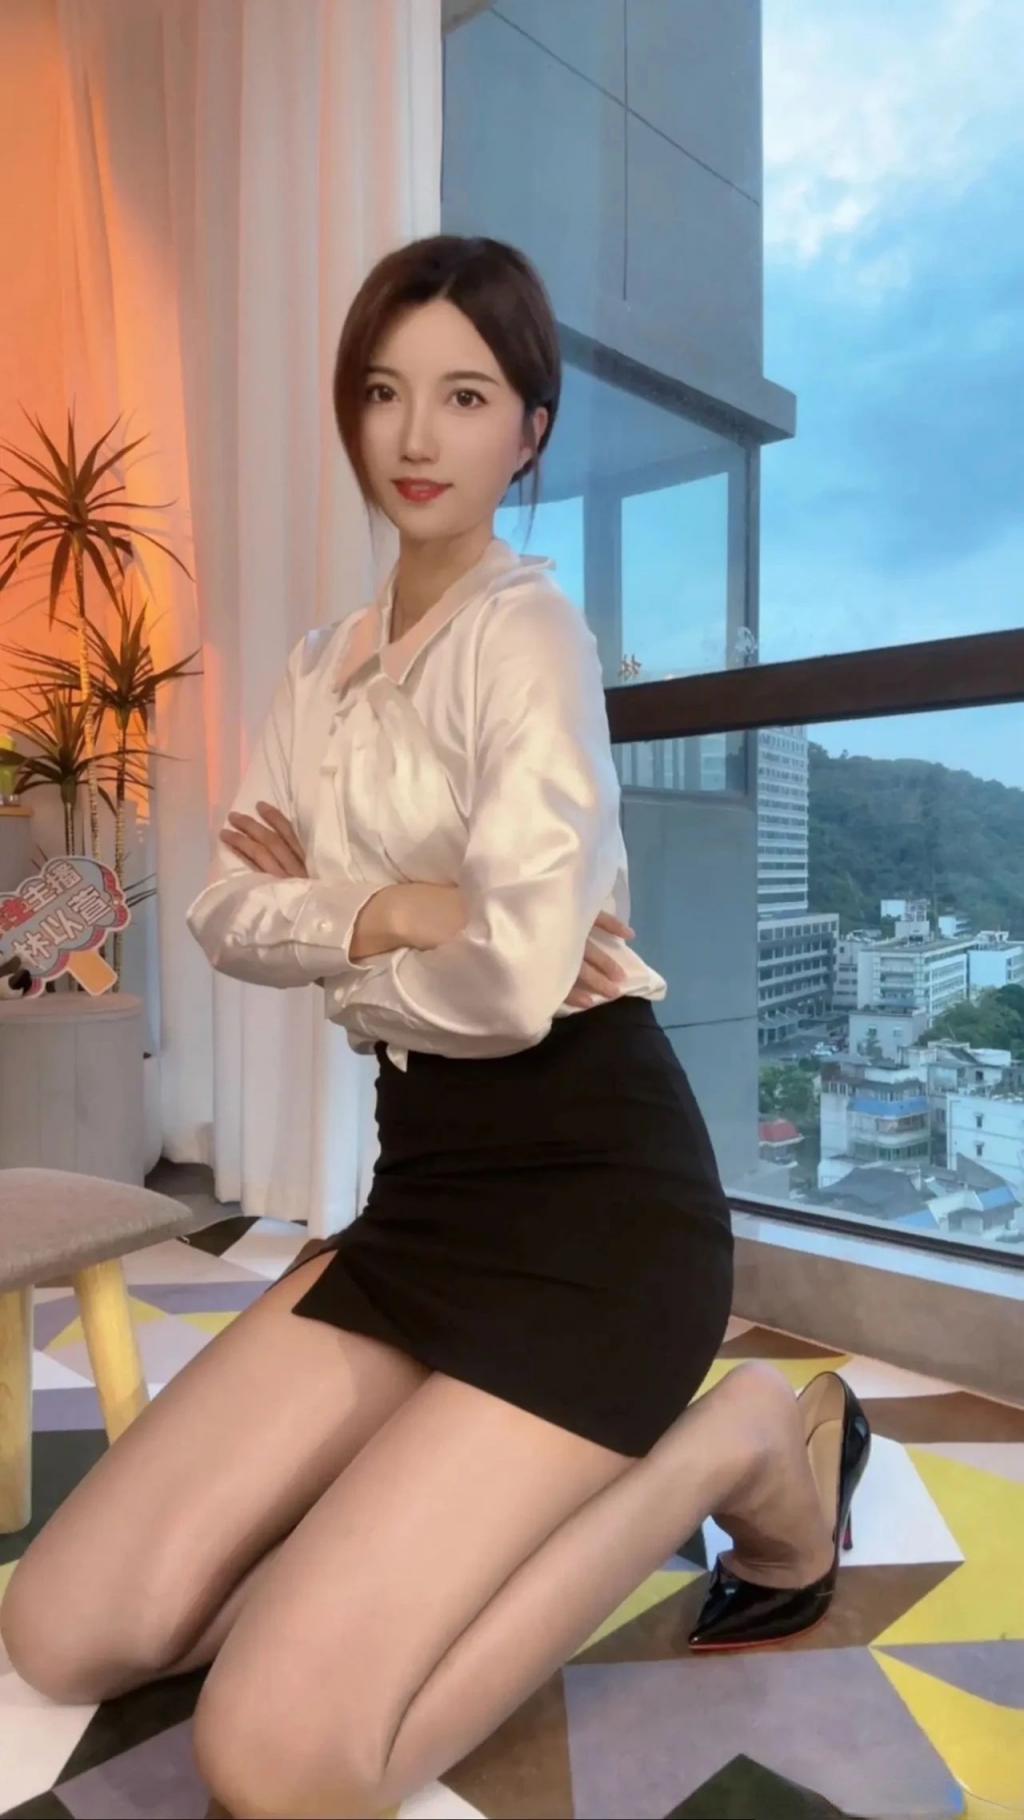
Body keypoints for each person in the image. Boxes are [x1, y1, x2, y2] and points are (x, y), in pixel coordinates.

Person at [1, 235, 871, 1820]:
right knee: (62, 1629)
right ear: (350, 410)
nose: (416, 436)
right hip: (424, 1207)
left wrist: (335, 923)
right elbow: (223, 914)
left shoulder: (528, 637)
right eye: (385, 392)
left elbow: (516, 984)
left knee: (281, 1762)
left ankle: (735, 1440)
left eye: (465, 397)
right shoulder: (319, 672)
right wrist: (402, 907)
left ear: (529, 431)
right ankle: (389, 1520)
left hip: (598, 1220)